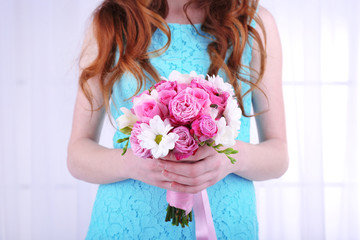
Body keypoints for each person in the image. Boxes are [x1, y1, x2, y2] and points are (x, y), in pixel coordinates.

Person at [67, 0, 288, 239]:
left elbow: (278, 156)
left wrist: (231, 159)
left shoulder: (252, 21)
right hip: (128, 225)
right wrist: (129, 164)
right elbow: (77, 154)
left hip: (227, 225)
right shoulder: (113, 19)